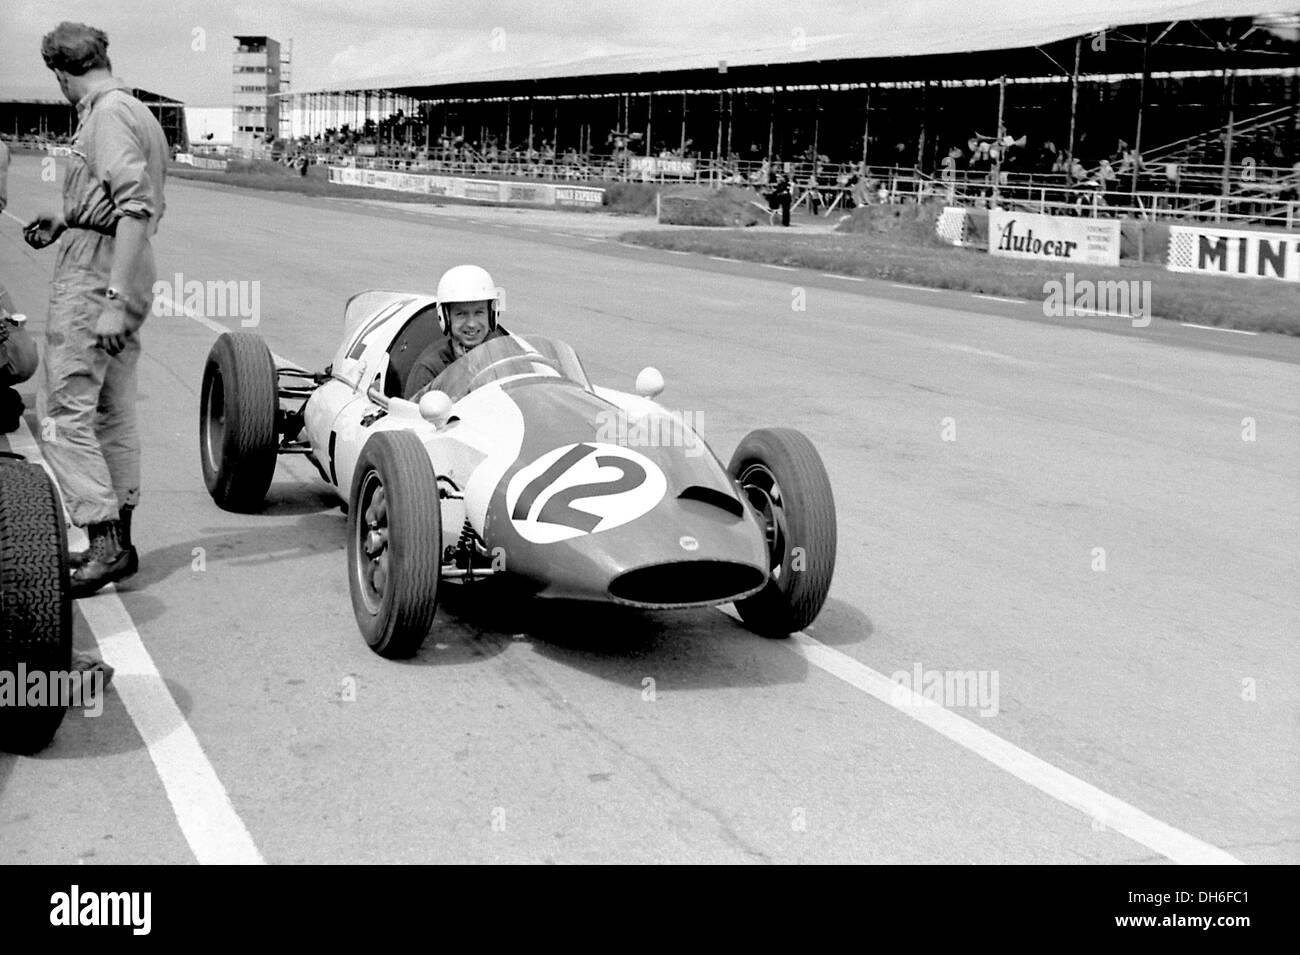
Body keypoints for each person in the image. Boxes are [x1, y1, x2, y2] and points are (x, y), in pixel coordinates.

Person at [24, 22, 167, 598]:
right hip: (125, 261)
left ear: (61, 74)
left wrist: (109, 299)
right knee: (112, 408)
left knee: (61, 409)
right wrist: (69, 215)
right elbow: (125, 200)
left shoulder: (104, 114)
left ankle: (103, 541)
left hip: (101, 271)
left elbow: (134, 205)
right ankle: (122, 541)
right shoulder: (135, 109)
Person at [404, 265, 509, 399]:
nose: (471, 324)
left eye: (479, 312)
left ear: (491, 314)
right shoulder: (429, 369)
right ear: (446, 318)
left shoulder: (507, 357)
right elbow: (412, 418)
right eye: (461, 314)